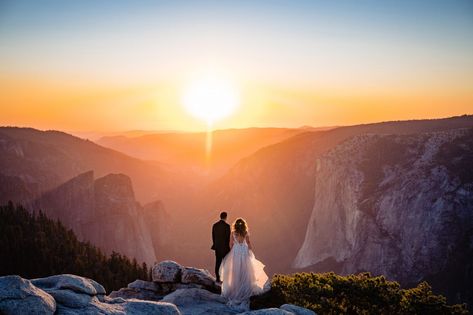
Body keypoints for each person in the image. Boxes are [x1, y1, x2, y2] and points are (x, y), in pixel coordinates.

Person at [219, 218, 268, 311]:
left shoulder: (233, 233)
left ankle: (236, 289)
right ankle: (245, 288)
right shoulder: (245, 232)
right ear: (244, 225)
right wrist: (250, 250)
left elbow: (230, 244)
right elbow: (248, 243)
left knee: (236, 270)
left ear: (235, 225)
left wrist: (233, 250)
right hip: (244, 250)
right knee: (246, 269)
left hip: (236, 251)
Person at [211, 211, 231, 283]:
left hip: (217, 247)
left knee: (217, 263)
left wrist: (215, 244)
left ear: (220, 217)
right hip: (225, 248)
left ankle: (217, 278)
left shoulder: (215, 225)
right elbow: (228, 238)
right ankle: (225, 279)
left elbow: (213, 236)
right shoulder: (227, 226)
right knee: (225, 264)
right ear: (226, 217)